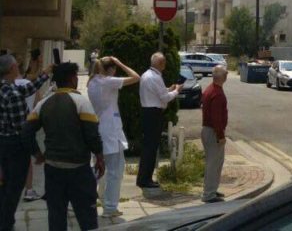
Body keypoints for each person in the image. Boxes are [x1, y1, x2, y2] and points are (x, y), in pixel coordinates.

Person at [23, 62, 104, 231]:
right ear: (72, 78)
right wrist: (99, 157)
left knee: (56, 217)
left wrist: (38, 153)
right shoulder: (81, 102)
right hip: (79, 170)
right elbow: (92, 135)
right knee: (87, 219)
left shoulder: (43, 104)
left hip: (53, 170)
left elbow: (27, 131)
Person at [0, 54, 51, 231]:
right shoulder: (13, 95)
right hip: (14, 147)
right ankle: (6, 224)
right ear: (12, 69)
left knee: (5, 185)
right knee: (13, 189)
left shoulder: (7, 88)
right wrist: (36, 152)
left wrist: (45, 73)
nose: (19, 66)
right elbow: (23, 130)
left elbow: (28, 89)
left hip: (4, 143)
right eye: (17, 64)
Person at [87, 56, 140, 218]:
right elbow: (136, 77)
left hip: (99, 129)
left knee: (99, 170)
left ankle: (89, 200)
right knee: (115, 171)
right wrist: (119, 62)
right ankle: (110, 207)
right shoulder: (107, 81)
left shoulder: (92, 83)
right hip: (111, 131)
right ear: (110, 69)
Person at [136, 52, 179, 189]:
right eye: (164, 62)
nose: (165, 65)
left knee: (148, 147)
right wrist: (177, 91)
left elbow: (157, 92)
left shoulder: (146, 75)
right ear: (160, 63)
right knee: (151, 147)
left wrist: (168, 89)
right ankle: (145, 179)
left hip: (147, 112)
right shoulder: (156, 77)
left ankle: (143, 177)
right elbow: (165, 98)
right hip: (153, 113)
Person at [15, 50, 43, 202]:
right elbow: (39, 102)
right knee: (27, 161)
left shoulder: (6, 86)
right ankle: (29, 190)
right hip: (26, 125)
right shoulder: (28, 85)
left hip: (7, 129)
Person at [201, 65, 228, 203]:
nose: (227, 75)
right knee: (213, 163)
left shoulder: (210, 89)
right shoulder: (217, 94)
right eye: (226, 73)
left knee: (215, 162)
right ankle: (209, 194)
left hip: (208, 130)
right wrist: (221, 136)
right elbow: (216, 118)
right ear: (222, 77)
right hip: (213, 132)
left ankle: (212, 189)